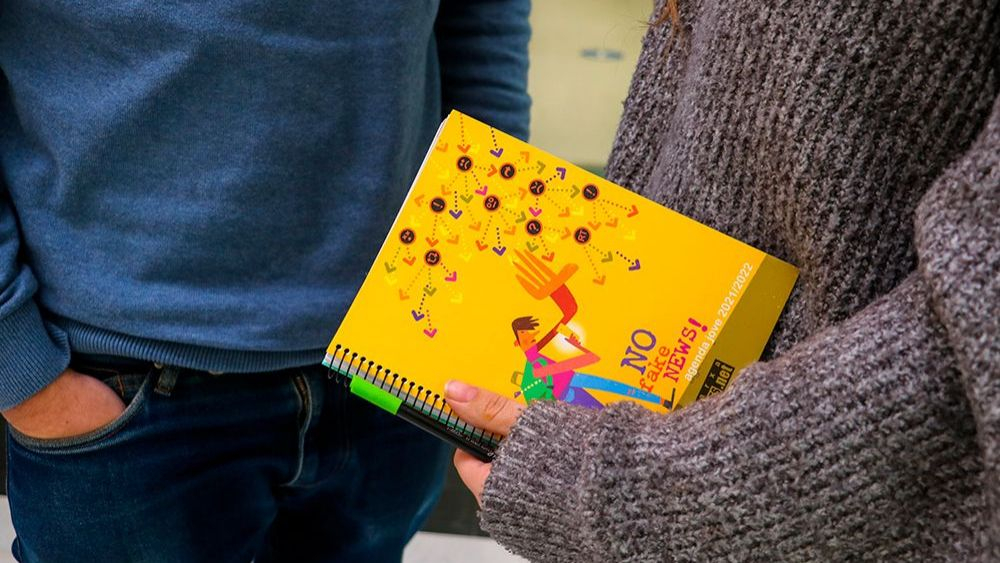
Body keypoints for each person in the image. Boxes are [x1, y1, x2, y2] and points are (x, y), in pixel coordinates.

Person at [447, 0, 999, 560]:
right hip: (679, 461)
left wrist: (611, 492)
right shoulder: (539, 358)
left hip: (814, 521)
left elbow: (975, 325)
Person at [0, 1, 529, 561]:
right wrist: (26, 375)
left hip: (397, 362)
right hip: (120, 381)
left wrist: (483, 272)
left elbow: (481, 23)